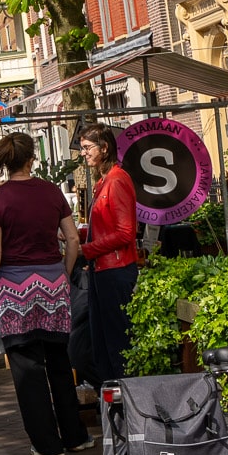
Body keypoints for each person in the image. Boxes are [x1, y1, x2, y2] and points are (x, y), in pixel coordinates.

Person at [0, 131, 90, 455]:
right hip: (53, 283)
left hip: (13, 288)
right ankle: (75, 436)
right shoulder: (51, 191)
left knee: (26, 365)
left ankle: (46, 443)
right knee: (58, 359)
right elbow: (72, 241)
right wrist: (64, 273)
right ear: (31, 159)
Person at [78, 122, 141, 386]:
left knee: (116, 342)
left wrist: (86, 250)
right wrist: (75, 237)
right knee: (102, 343)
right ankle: (113, 403)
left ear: (104, 148)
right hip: (102, 270)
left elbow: (126, 233)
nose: (84, 153)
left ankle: (126, 402)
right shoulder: (104, 182)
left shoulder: (117, 180)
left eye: (87, 148)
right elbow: (104, 228)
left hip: (114, 272)